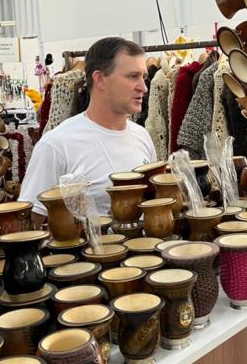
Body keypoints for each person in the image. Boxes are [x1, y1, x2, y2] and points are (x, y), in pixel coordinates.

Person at [20, 37, 157, 224]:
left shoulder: (141, 136)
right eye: (133, 76)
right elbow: (28, 222)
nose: (144, 87)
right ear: (100, 79)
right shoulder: (56, 145)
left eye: (144, 77)